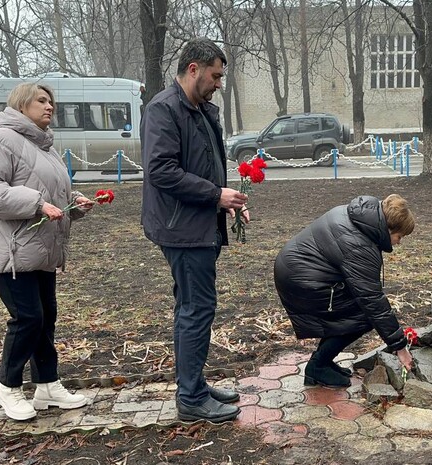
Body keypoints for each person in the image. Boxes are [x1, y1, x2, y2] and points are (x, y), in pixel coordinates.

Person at [0, 83, 96, 421]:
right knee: (28, 319)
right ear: (21, 104)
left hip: (38, 248)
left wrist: (74, 203)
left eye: (51, 101)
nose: (49, 106)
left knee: (45, 317)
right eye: (41, 100)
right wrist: (36, 204)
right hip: (8, 250)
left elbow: (50, 191)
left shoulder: (43, 146)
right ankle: (7, 389)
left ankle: (47, 385)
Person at [141, 38, 246, 423]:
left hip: (199, 223)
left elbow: (205, 166)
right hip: (181, 229)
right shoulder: (164, 109)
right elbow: (161, 171)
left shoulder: (199, 110)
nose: (219, 83)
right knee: (196, 309)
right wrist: (217, 195)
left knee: (193, 307)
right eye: (215, 75)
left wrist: (229, 203)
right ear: (193, 69)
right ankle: (191, 397)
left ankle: (195, 385)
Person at [274, 195, 416, 388]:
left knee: (348, 312)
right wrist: (400, 347)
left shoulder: (359, 217)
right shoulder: (360, 244)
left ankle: (322, 362)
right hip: (302, 280)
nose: (398, 243)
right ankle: (318, 367)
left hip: (298, 270)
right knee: (363, 317)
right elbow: (371, 300)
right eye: (399, 237)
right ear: (388, 228)